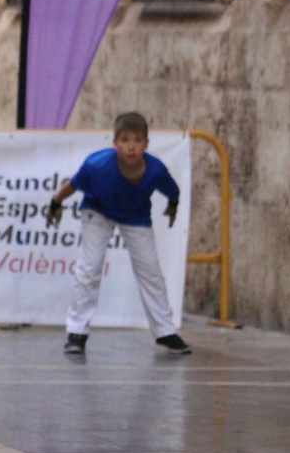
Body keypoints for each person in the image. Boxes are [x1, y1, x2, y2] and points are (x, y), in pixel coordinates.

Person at [46, 112, 190, 355]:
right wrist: (55, 203)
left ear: (146, 143)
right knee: (89, 268)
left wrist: (173, 206)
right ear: (114, 143)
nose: (131, 146)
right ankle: (77, 331)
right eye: (124, 140)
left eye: (137, 140)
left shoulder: (155, 170)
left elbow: (172, 191)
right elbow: (72, 185)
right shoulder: (97, 165)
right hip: (98, 211)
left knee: (150, 271)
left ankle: (165, 332)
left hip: (135, 215)